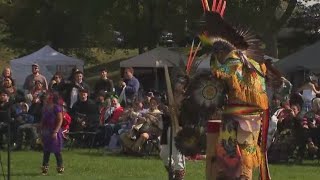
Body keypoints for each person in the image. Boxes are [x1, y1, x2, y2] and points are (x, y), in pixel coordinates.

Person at [159, 78, 187, 180]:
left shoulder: (186, 99)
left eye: (180, 83)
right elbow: (162, 107)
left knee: (177, 155)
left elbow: (187, 115)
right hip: (168, 127)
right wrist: (166, 109)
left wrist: (177, 110)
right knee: (164, 154)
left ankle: (179, 176)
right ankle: (172, 173)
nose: (177, 85)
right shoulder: (169, 95)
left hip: (179, 127)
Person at [40, 93, 64, 175]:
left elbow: (60, 120)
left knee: (57, 151)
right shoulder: (45, 108)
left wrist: (56, 131)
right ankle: (44, 169)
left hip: (54, 130)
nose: (46, 99)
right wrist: (41, 130)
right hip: (46, 131)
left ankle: (60, 168)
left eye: (48, 97)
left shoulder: (57, 108)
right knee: (46, 151)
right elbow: (43, 120)